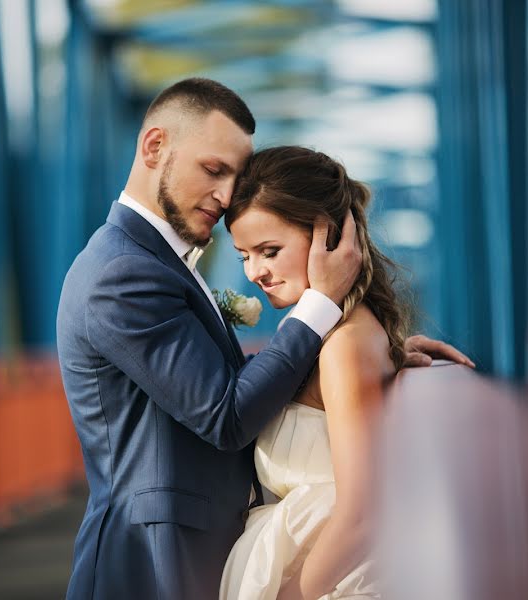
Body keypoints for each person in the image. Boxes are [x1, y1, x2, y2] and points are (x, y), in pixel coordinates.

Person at [56, 78, 471, 600]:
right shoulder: (120, 272)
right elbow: (225, 414)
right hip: (151, 563)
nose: (227, 195)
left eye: (235, 175)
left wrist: (373, 361)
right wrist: (321, 308)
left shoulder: (160, 265)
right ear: (154, 146)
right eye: (214, 170)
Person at [220, 146, 425, 599]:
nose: (255, 271)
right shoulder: (338, 340)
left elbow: (361, 513)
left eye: (269, 251)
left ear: (326, 235)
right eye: (243, 256)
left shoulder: (344, 347)